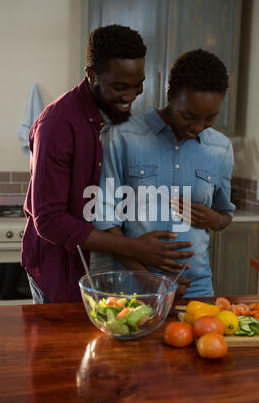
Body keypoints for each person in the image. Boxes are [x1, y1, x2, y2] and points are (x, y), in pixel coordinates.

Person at [22, 24, 192, 304]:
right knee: (67, 347)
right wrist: (136, 249)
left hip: (111, 266)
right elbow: (50, 221)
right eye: (119, 87)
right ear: (92, 74)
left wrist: (145, 270)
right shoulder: (57, 126)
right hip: (64, 269)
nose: (130, 96)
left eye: (138, 85)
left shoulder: (120, 117)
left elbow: (114, 207)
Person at [92, 49, 236, 298]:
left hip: (196, 288)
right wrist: (150, 280)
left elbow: (225, 216)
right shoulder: (122, 136)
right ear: (170, 93)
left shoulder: (220, 148)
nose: (197, 128)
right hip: (132, 288)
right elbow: (105, 221)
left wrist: (213, 219)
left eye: (210, 118)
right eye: (188, 116)